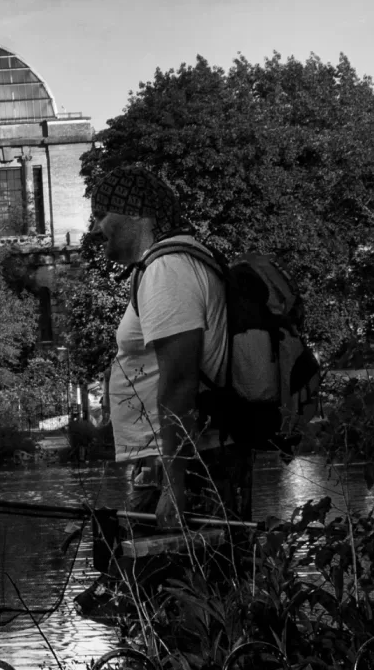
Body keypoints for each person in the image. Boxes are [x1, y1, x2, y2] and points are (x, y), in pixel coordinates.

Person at [90, 166, 252, 526]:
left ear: (134, 211)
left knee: (182, 578)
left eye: (101, 215)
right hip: (177, 461)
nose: (96, 229)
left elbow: (180, 383)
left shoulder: (169, 269)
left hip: (194, 466)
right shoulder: (161, 265)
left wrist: (173, 489)